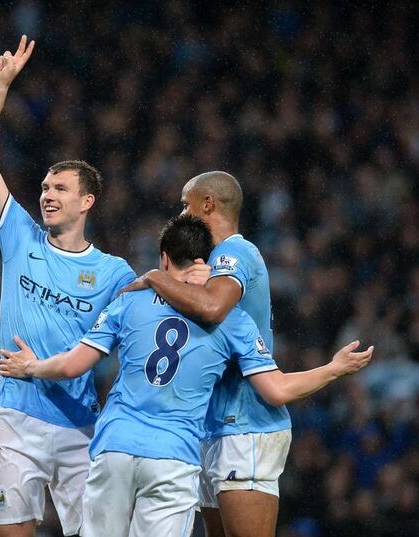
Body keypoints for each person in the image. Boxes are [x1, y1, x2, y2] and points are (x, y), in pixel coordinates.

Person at [0, 215, 373, 537]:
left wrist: (30, 366)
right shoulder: (231, 320)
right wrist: (333, 369)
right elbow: (276, 390)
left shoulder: (129, 301)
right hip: (172, 457)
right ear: (204, 261)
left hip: (114, 446)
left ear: (164, 257)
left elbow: (71, 366)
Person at [0, 36, 143, 537]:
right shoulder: (20, 235)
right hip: (16, 416)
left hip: (80, 425)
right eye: (44, 187)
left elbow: (145, 332)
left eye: (60, 189)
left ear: (87, 202)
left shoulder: (114, 273)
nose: (46, 195)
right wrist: (0, 86)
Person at [120, 171, 301, 537]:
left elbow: (214, 308)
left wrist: (157, 277)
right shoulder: (209, 261)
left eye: (186, 204)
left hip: (246, 422)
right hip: (212, 422)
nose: (183, 213)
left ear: (208, 204)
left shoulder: (236, 252)